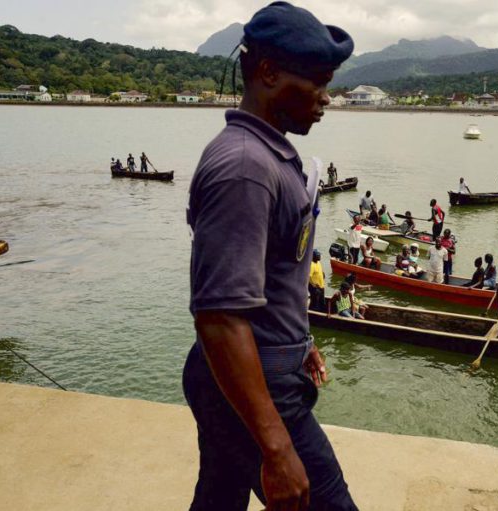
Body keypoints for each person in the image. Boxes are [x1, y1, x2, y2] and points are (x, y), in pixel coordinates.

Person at [182, 4, 357, 509]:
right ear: (268, 73)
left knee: (218, 497)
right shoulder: (244, 168)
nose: (326, 99)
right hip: (253, 385)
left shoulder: (269, 153)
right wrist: (277, 447)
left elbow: (274, 276)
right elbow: (218, 316)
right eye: (319, 83)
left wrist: (299, 341)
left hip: (257, 370)